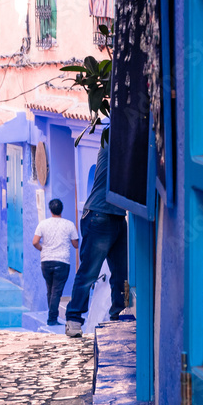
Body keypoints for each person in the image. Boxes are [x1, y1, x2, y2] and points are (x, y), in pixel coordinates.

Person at [65, 144, 128, 337]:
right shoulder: (112, 142)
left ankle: (118, 317)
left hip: (116, 216)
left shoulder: (114, 140)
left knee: (120, 274)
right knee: (90, 272)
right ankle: (74, 319)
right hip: (99, 215)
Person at [32, 198, 79, 326]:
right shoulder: (69, 224)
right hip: (62, 261)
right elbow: (75, 244)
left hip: (46, 261)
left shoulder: (43, 224)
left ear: (50, 210)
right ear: (61, 210)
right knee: (56, 292)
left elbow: (35, 242)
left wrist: (42, 249)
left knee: (50, 290)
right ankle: (52, 319)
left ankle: (52, 316)